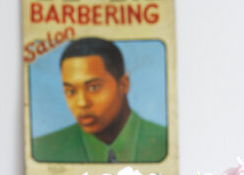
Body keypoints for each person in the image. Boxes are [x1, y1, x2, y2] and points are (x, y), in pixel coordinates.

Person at [32, 37, 167, 163]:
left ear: (123, 84)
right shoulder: (44, 150)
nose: (82, 102)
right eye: (70, 91)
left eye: (93, 87)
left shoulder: (165, 143)